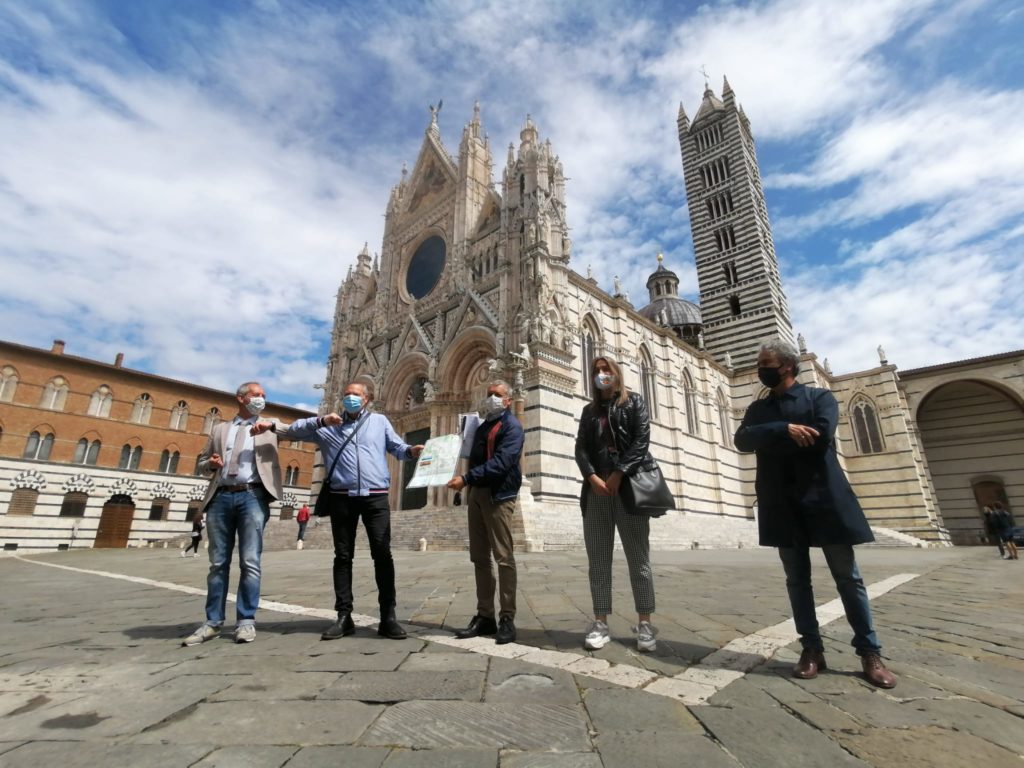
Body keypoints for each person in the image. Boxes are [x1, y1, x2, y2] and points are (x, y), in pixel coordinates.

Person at [735, 339, 897, 688]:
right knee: (797, 581)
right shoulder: (758, 409)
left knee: (848, 579)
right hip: (782, 501)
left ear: (787, 366)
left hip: (823, 497)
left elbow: (821, 436)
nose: (761, 368)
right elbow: (742, 441)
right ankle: (812, 649)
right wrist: (785, 430)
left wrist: (769, 438)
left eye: (766, 362)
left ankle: (870, 653)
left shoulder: (819, 398)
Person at [262, 381, 423, 641]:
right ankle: (343, 616)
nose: (351, 398)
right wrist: (321, 421)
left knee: (382, 555)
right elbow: (293, 430)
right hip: (341, 498)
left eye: (356, 395)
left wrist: (413, 451)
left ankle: (388, 617)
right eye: (347, 394)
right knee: (343, 556)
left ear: (367, 399)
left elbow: (397, 448)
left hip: (376, 497)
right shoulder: (327, 427)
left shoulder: (380, 421)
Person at [183, 382, 282, 646]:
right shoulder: (220, 429)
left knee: (250, 562)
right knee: (217, 565)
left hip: (252, 496)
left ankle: (246, 621)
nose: (261, 398)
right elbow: (202, 463)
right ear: (241, 398)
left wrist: (270, 426)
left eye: (264, 395)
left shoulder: (272, 425)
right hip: (221, 497)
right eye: (256, 395)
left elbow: (294, 430)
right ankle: (212, 622)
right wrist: (210, 464)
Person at [574, 356, 659, 653]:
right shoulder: (589, 411)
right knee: (598, 563)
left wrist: (619, 473)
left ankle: (645, 623)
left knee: (640, 561)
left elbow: (641, 441)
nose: (601, 374)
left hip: (628, 490)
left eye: (605, 369)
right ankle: (600, 623)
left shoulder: (634, 402)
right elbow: (581, 448)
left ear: (616, 373)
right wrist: (592, 476)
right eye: (596, 370)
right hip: (597, 492)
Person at [447, 380, 525, 645]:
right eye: (489, 393)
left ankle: (507, 618)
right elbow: (471, 455)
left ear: (508, 401)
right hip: (477, 495)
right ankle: (485, 616)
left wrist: (466, 478)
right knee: (479, 557)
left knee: (503, 557)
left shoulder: (512, 427)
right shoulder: (482, 427)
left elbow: (503, 463)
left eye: (497, 395)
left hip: (499, 495)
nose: (491, 397)